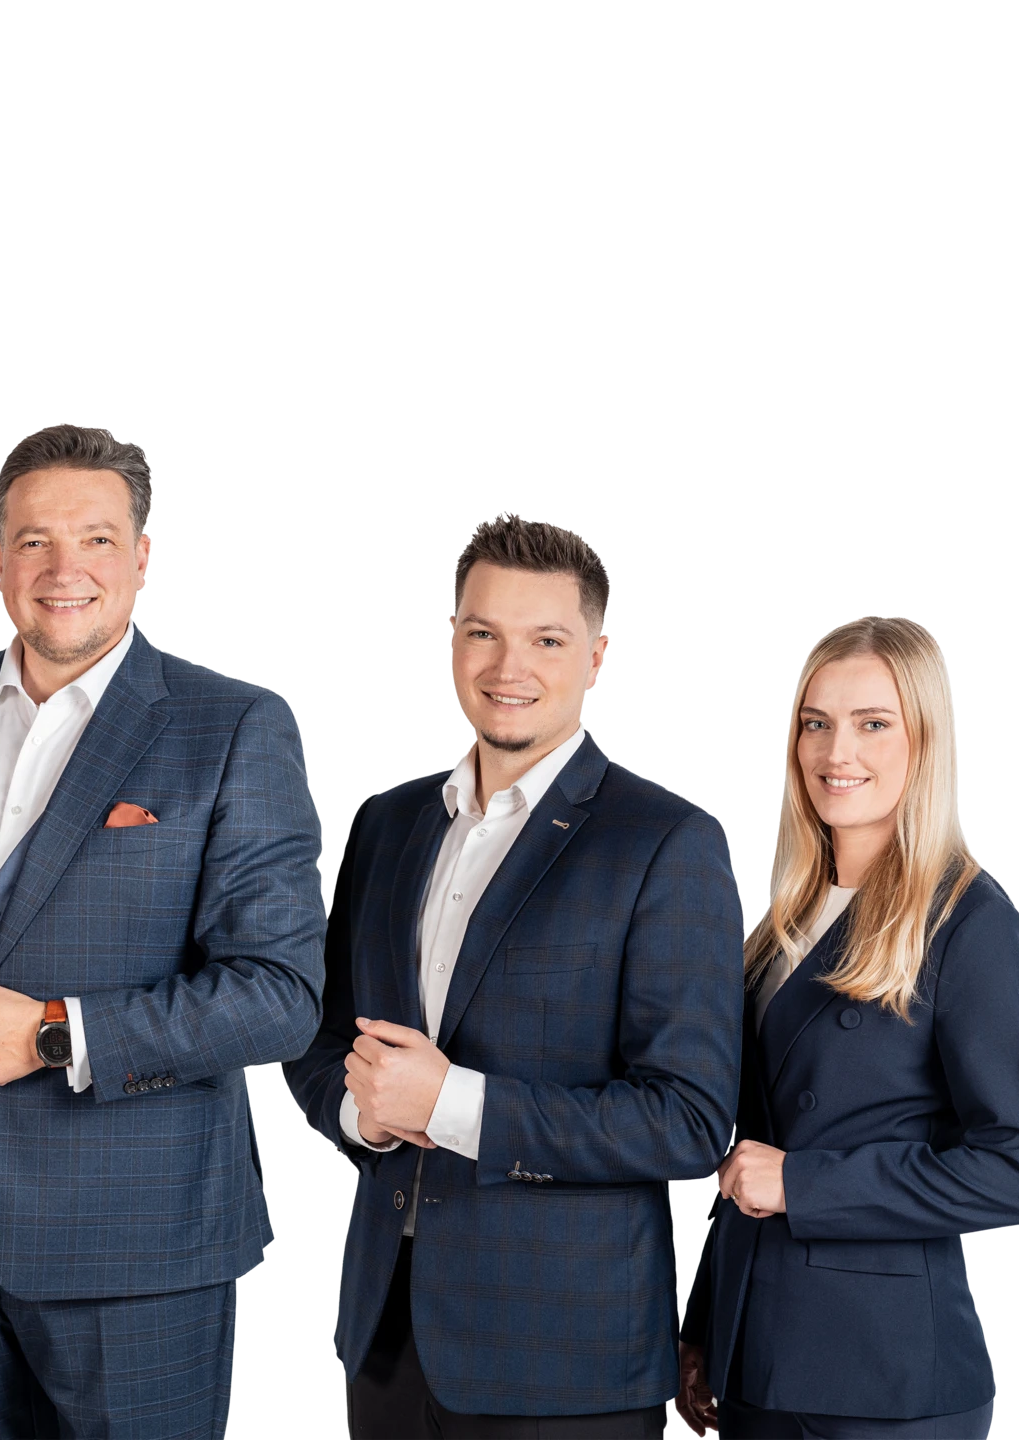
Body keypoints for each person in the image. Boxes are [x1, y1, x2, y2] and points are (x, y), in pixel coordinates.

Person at [0, 424, 327, 1438]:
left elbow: (279, 996)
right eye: (34, 539)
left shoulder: (232, 725)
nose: (62, 567)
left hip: (138, 1247)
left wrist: (52, 1032)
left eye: (97, 539)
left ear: (142, 556)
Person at [288, 510, 745, 1439]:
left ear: (596, 656)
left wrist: (453, 1102)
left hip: (564, 1356)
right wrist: (363, 1115)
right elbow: (322, 1038)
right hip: (387, 1334)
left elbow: (689, 1121)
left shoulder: (666, 842)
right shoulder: (388, 824)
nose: (509, 667)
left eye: (546, 640)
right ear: (453, 643)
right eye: (483, 633)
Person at [675, 616, 1019, 1439]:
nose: (835, 751)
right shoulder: (785, 922)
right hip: (758, 1359)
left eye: (873, 723)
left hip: (884, 1382)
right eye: (816, 723)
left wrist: (806, 1185)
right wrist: (708, 1324)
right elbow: (758, 1151)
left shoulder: (968, 923)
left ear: (923, 741)